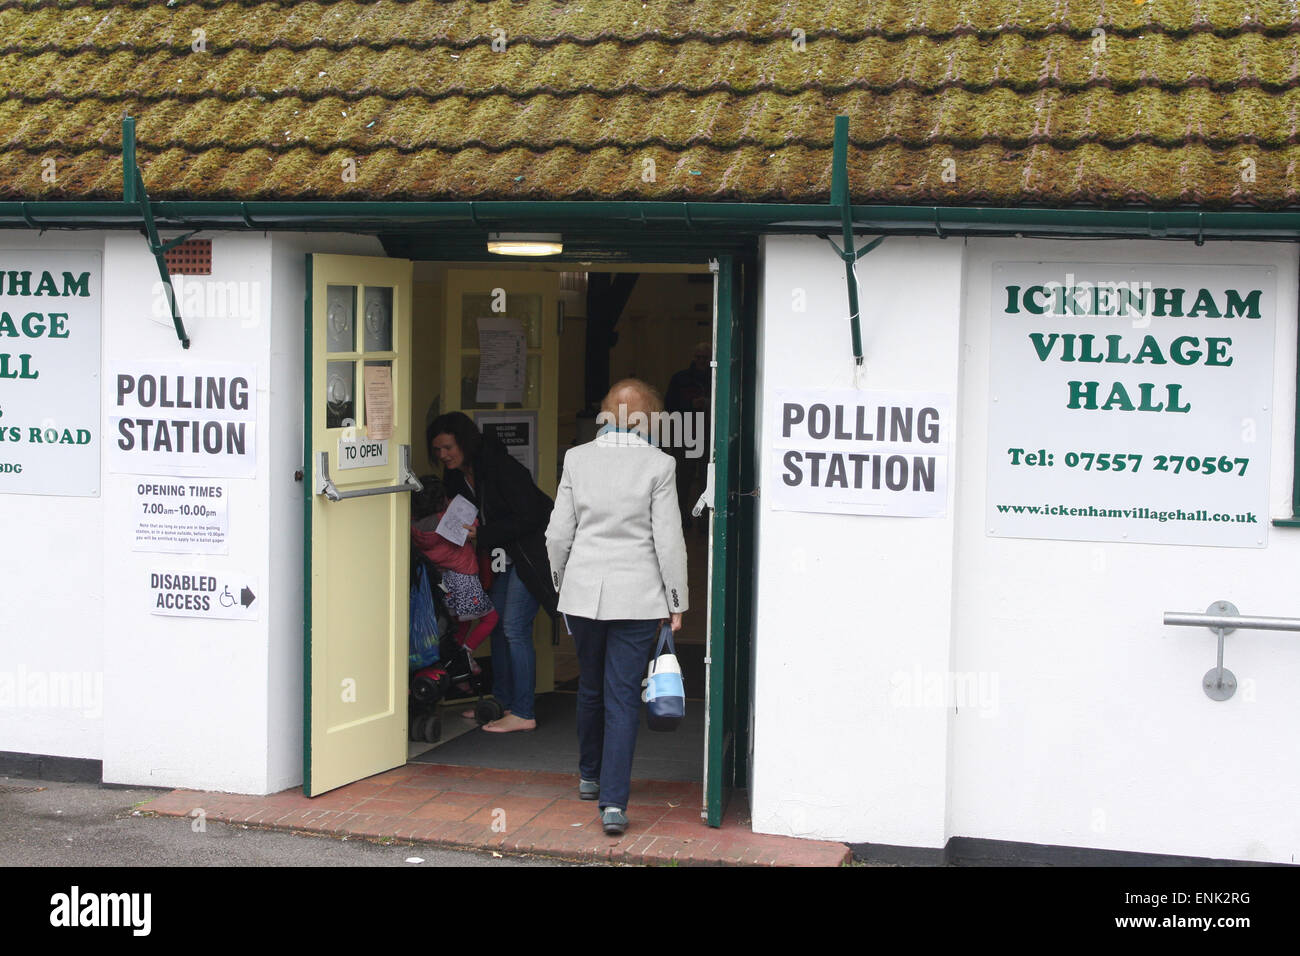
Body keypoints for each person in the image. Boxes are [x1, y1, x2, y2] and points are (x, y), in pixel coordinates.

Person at [546, 379, 689, 836]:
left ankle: (589, 776)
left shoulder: (576, 458)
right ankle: (613, 803)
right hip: (638, 596)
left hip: (583, 594)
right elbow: (668, 541)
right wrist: (676, 601)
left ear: (604, 415)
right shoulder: (660, 465)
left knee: (590, 686)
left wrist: (562, 583)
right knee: (623, 695)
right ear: (652, 420)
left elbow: (556, 536)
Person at [429, 412, 558, 733]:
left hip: (530, 556)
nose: (443, 455)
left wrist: (481, 535)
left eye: (447, 447)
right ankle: (500, 701)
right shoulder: (458, 476)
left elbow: (531, 516)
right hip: (502, 558)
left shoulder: (502, 467)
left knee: (514, 628)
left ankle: (523, 711)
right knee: (499, 625)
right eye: (437, 450)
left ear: (464, 443)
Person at [410, 481, 498, 687]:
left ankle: (453, 665)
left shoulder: (414, 527)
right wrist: (453, 505)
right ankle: (465, 653)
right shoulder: (447, 519)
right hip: (463, 577)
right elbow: (474, 524)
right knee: (490, 619)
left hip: (445, 581)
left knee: (462, 622)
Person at [664, 341, 711, 530]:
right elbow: (669, 404)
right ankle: (682, 520)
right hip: (686, 435)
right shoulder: (680, 379)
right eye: (698, 357)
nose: (700, 361)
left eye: (704, 358)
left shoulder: (717, 377)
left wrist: (706, 403)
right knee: (683, 480)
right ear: (693, 358)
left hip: (709, 435)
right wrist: (690, 405)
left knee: (708, 480)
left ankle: (706, 522)